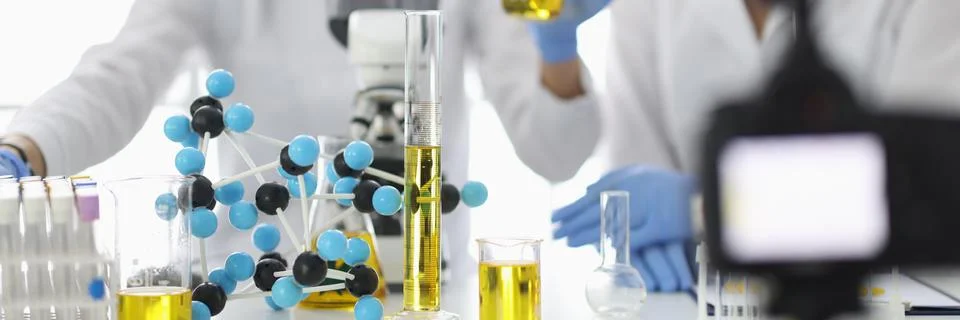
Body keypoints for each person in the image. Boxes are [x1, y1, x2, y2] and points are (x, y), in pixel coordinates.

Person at [0, 0, 601, 278]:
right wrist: (23, 148)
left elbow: (557, 151)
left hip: (418, 289)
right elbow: (118, 76)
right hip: (256, 283)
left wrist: (557, 43)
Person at [536, 0, 960, 292]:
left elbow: (924, 190)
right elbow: (637, 164)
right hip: (706, 297)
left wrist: (703, 210)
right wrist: (639, 246)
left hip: (896, 295)